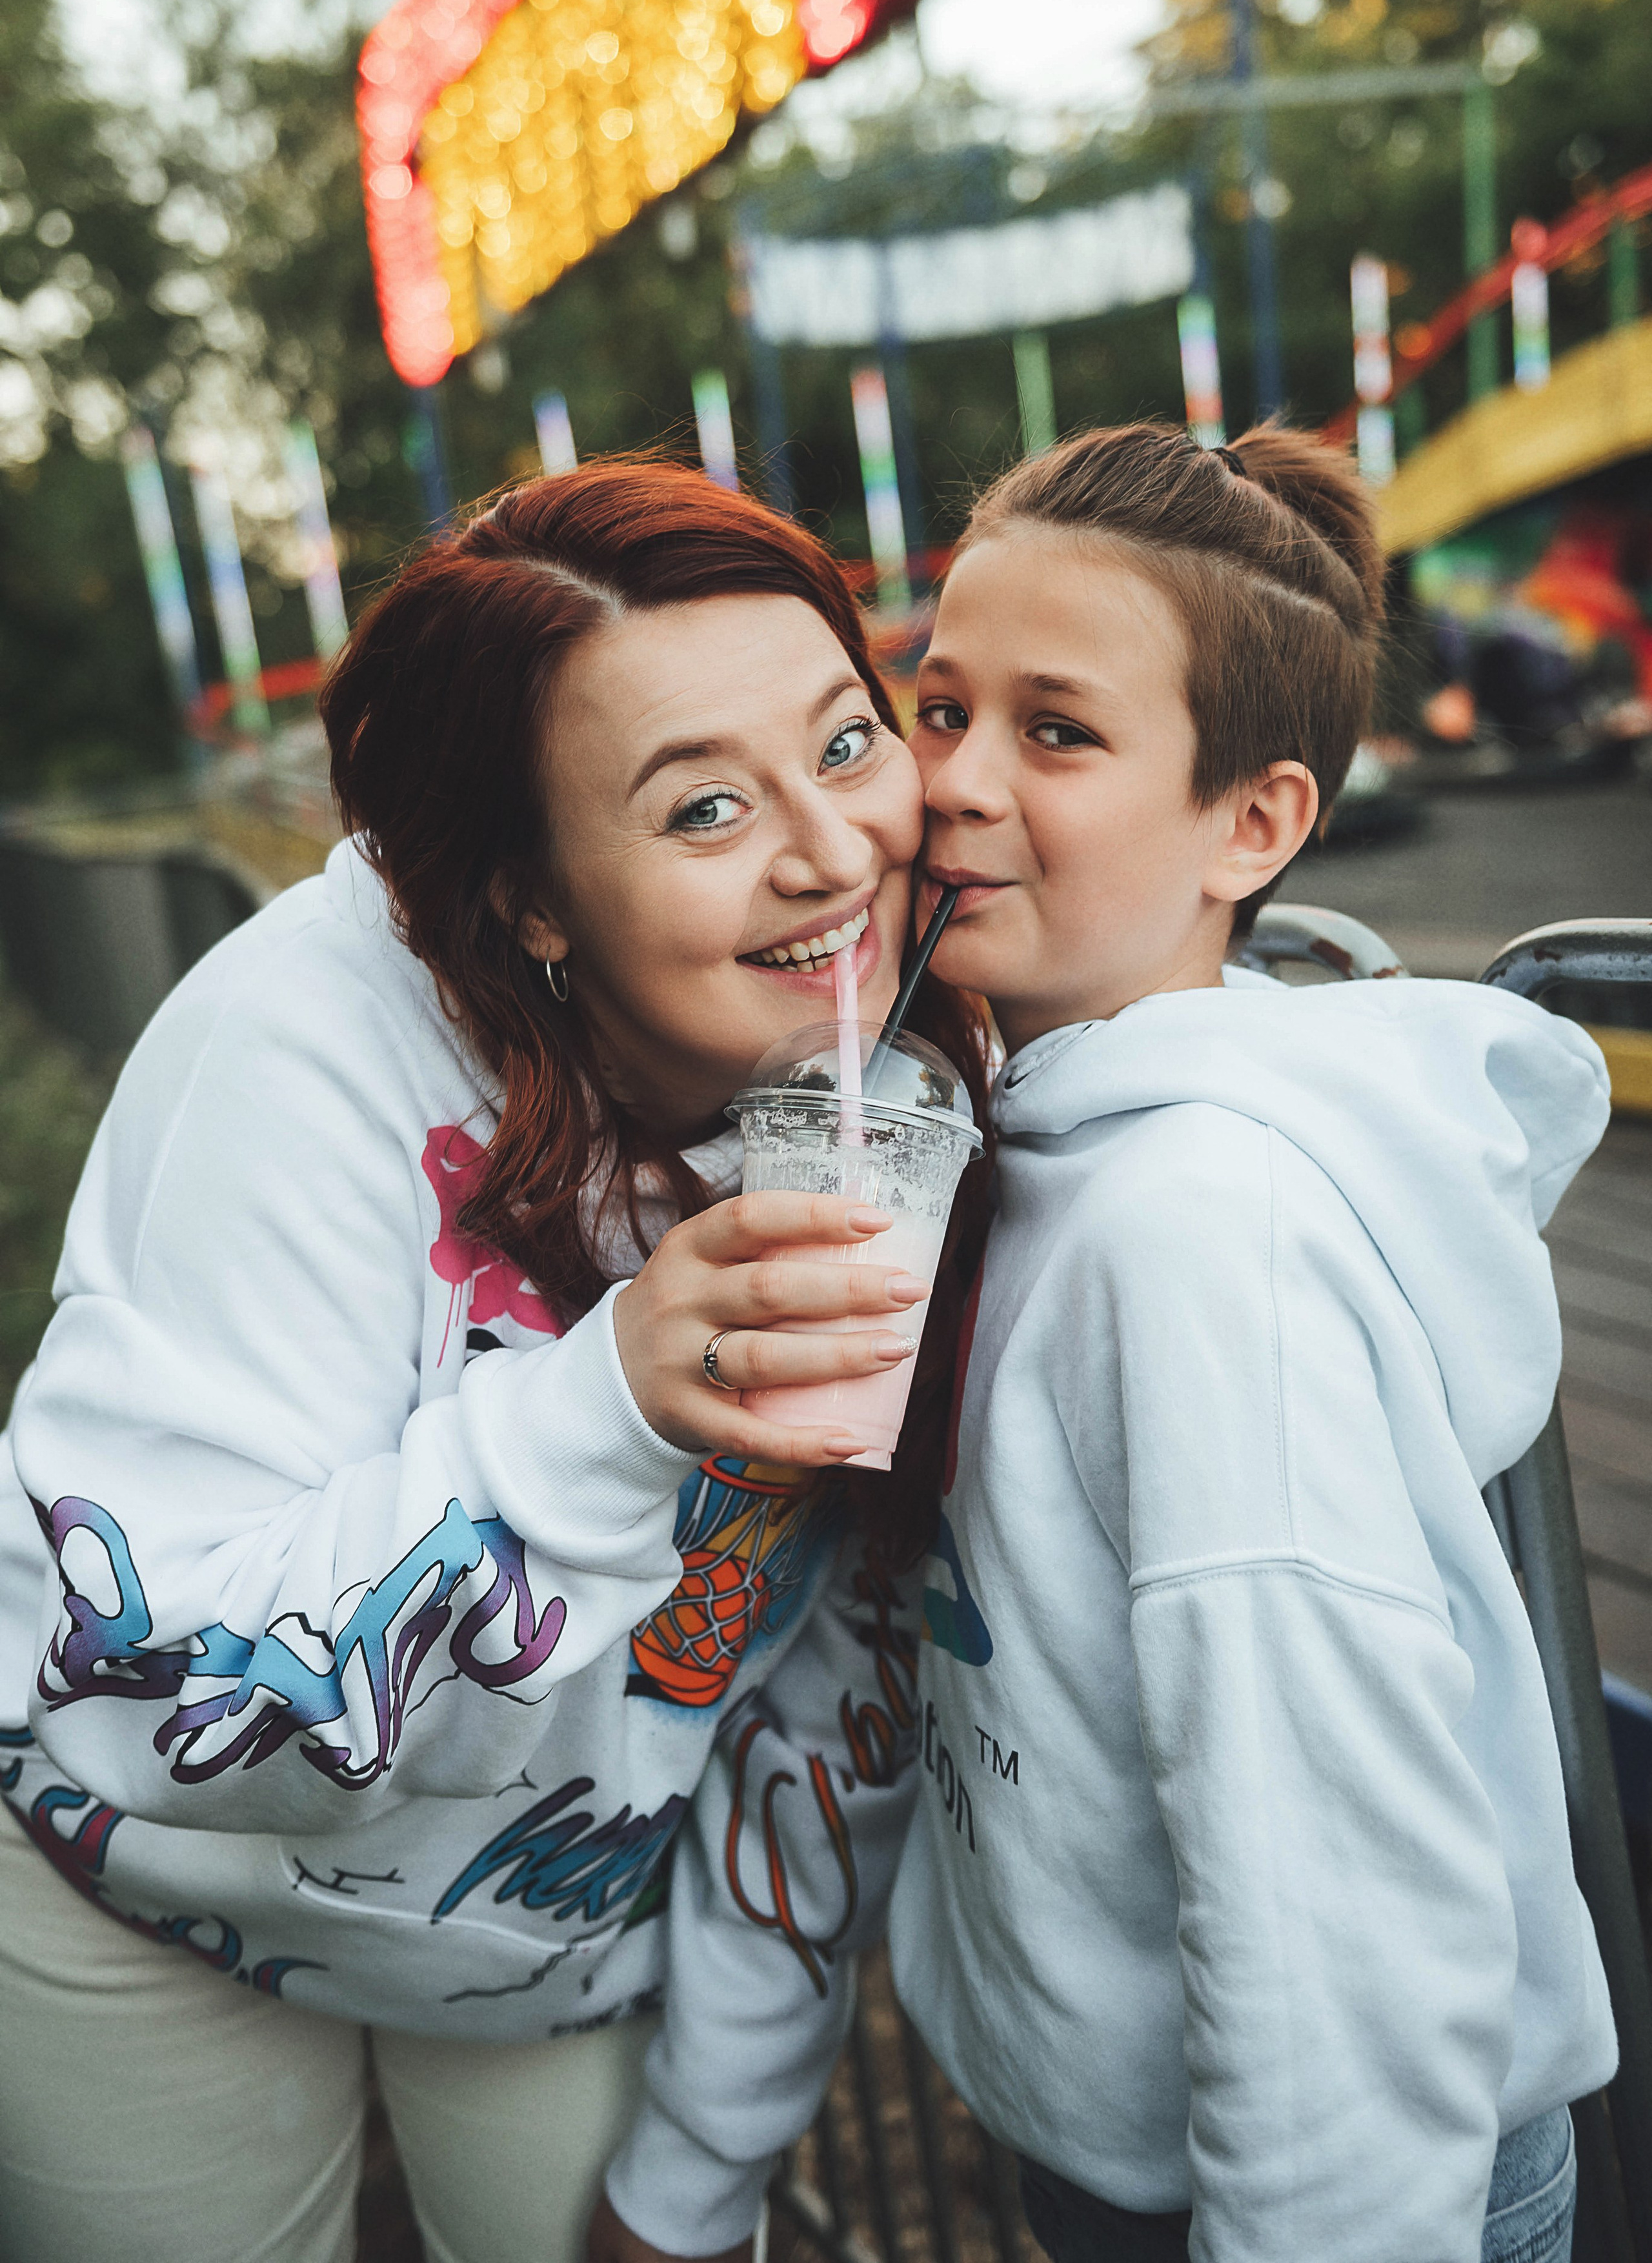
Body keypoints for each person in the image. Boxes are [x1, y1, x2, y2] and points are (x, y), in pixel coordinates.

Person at [0, 461, 988, 2263]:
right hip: (157, 1888)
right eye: (704, 806)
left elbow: (840, 1653)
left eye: (850, 744)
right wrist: (603, 1408)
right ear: (531, 896)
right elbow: (147, 1677)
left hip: (550, 1914)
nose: (835, 852)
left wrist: (705, 2156)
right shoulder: (290, 1058)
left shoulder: (906, 1089)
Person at [880, 423, 1616, 2263]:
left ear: (1257, 824)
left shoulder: (1202, 1238)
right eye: (936, 703)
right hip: (1148, 2149)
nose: (949, 781)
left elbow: (1338, 1906)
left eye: (1057, 731)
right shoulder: (1031, 1133)